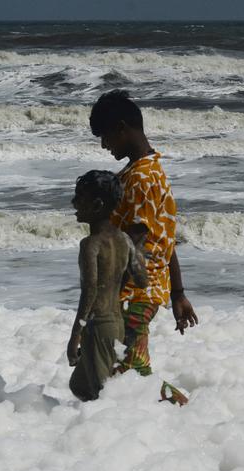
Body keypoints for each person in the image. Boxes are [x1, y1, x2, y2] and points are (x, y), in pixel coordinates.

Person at [89, 90, 197, 404]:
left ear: (122, 128)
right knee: (128, 370)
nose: (104, 145)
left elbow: (133, 242)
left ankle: (182, 410)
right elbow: (166, 239)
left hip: (134, 292)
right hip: (144, 290)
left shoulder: (141, 178)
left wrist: (106, 295)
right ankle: (179, 415)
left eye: (105, 136)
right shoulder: (147, 172)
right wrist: (177, 292)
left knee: (128, 373)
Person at [67, 171, 148, 401]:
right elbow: (142, 279)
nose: (74, 202)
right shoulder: (124, 239)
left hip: (98, 326)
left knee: (103, 397)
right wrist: (139, 251)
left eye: (79, 197)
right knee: (79, 386)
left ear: (97, 205)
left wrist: (75, 335)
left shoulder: (90, 245)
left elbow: (89, 291)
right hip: (117, 324)